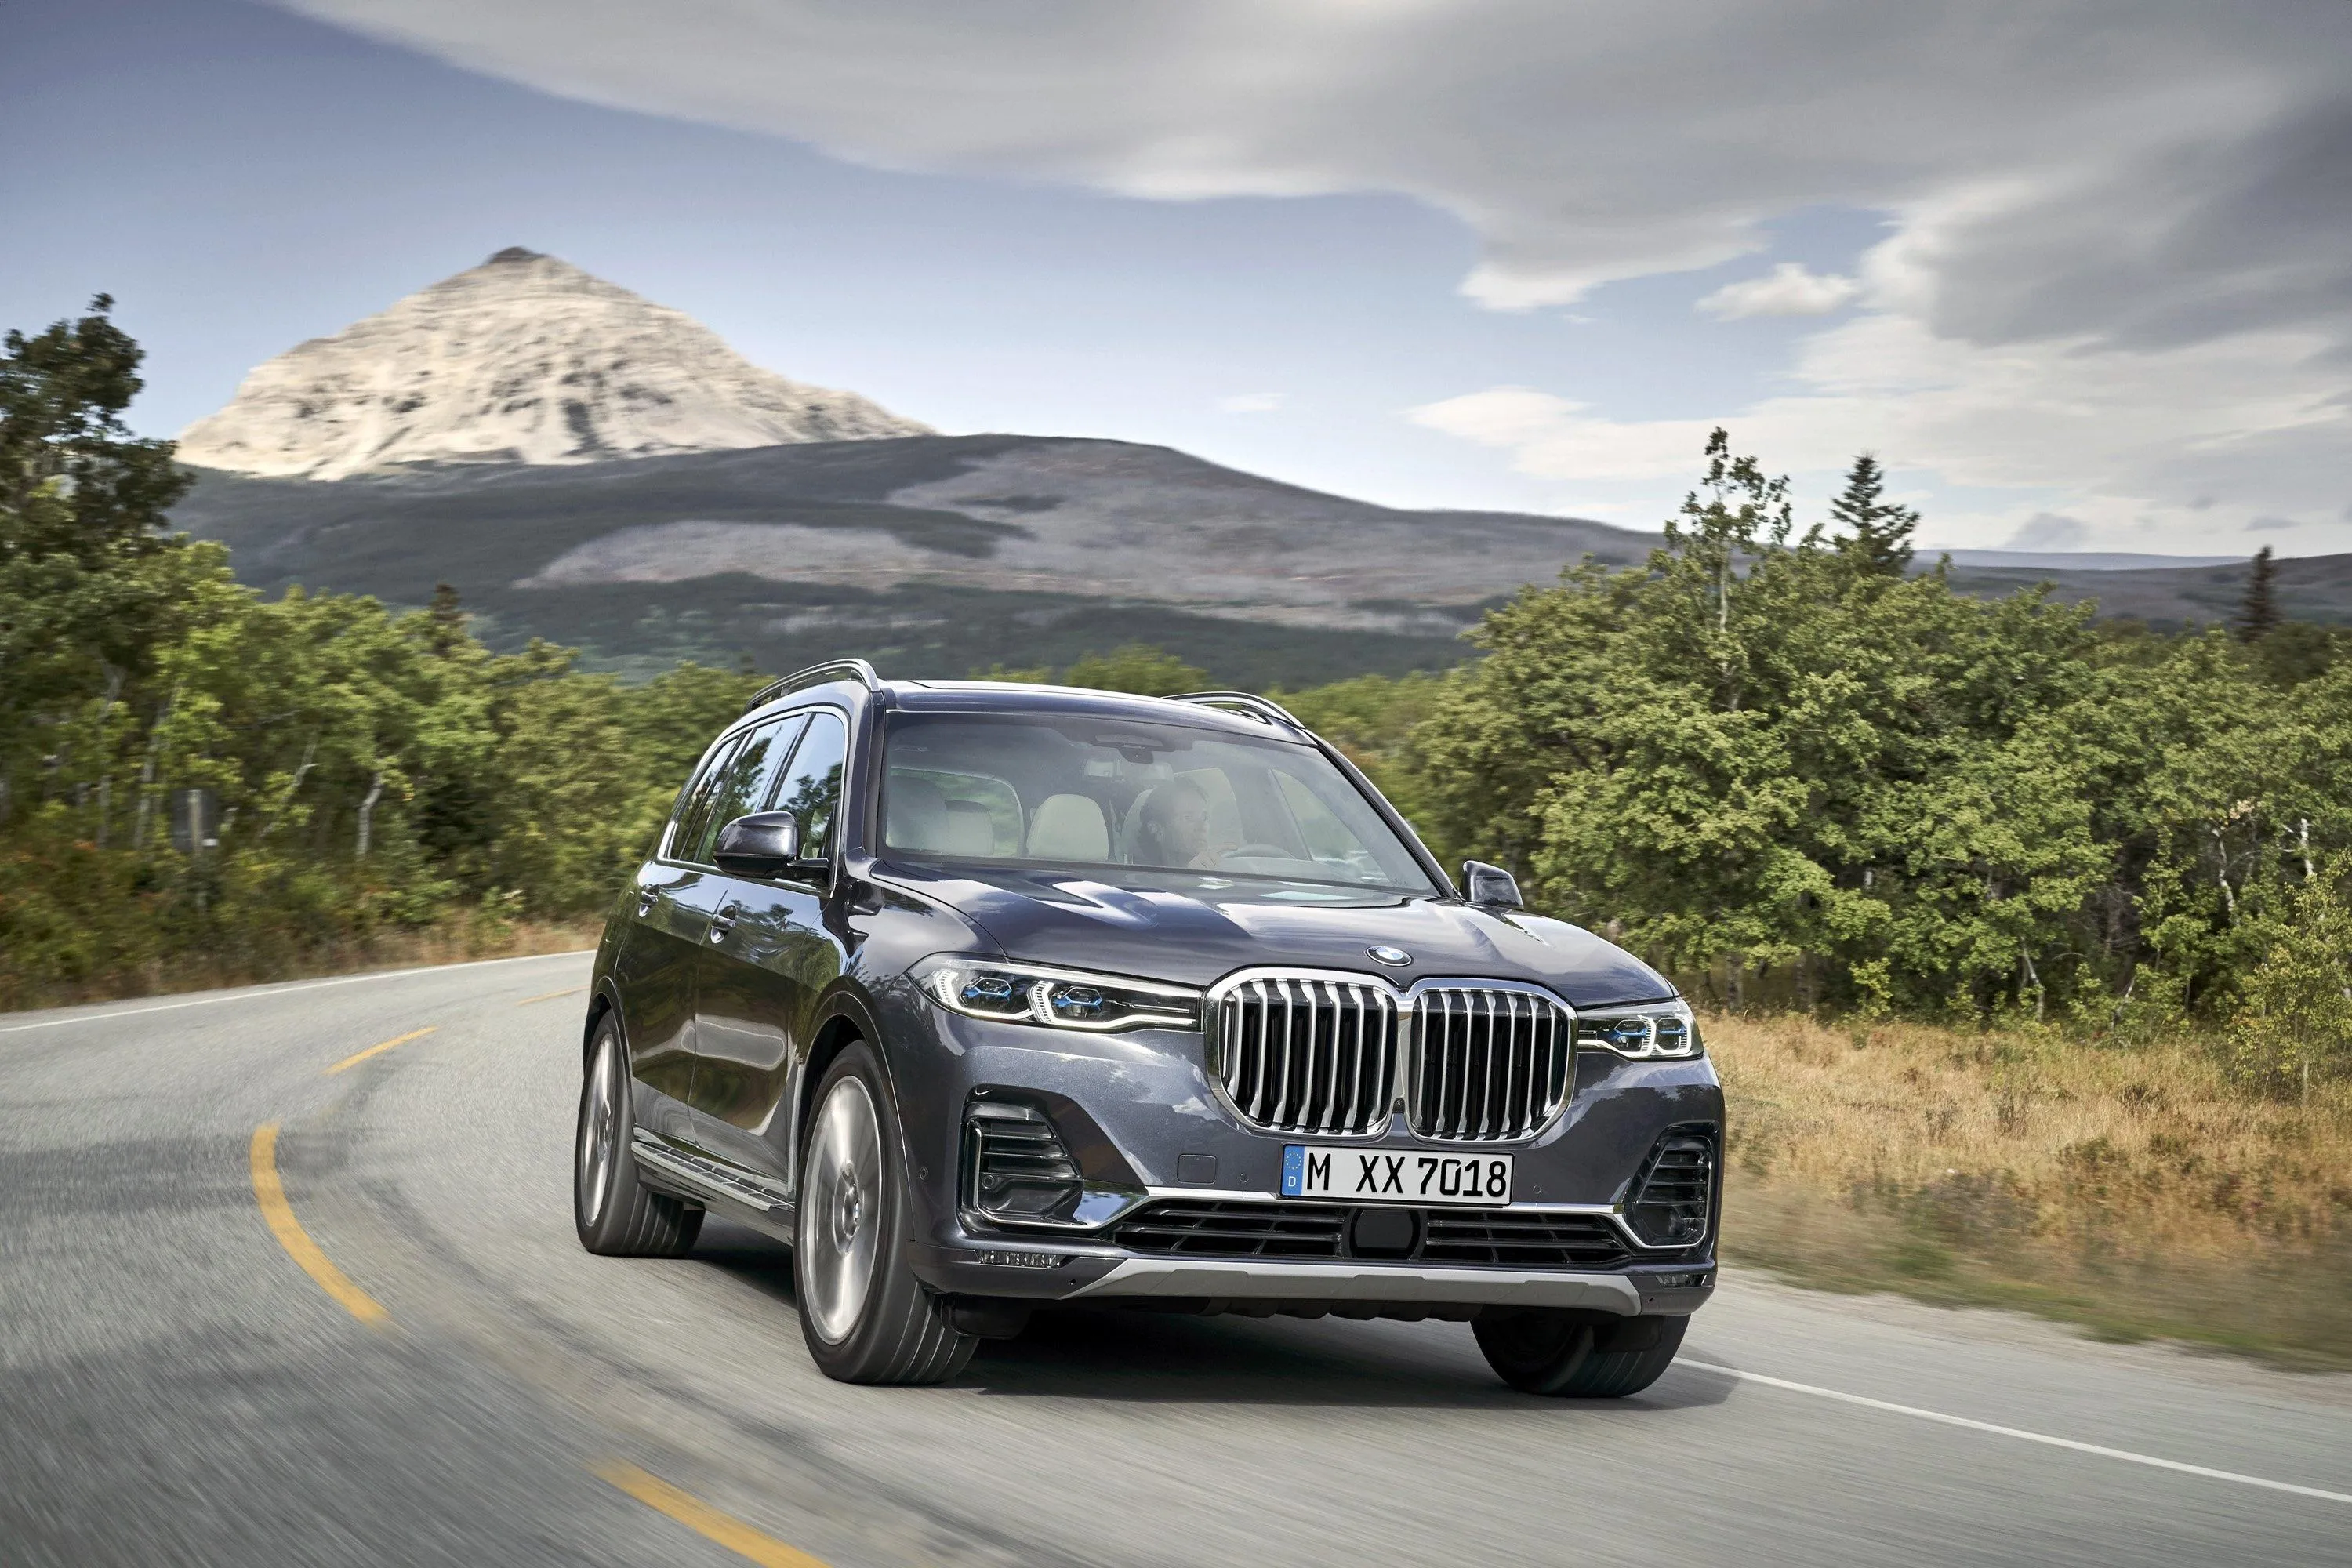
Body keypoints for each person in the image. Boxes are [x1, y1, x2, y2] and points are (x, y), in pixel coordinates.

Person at [1134, 777, 1221, 869]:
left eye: (1205, 817)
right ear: (1157, 830)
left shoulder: (1222, 872)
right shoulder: (1143, 880)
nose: (1203, 827)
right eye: (1188, 817)